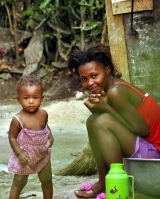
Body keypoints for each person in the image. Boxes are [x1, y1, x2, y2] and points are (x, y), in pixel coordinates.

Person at [67, 44, 160, 198]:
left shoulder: (116, 91)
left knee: (102, 121)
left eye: (94, 75)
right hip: (144, 147)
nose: (89, 83)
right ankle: (104, 181)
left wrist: (105, 109)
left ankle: (118, 183)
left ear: (107, 70)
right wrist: (102, 109)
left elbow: (143, 130)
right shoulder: (109, 90)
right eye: (84, 79)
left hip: (155, 153)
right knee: (92, 121)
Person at [7, 74, 54, 199]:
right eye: (26, 98)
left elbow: (46, 126)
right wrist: (19, 154)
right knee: (19, 182)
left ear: (42, 98)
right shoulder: (18, 119)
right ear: (19, 99)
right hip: (24, 157)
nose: (31, 101)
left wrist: (50, 136)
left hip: (42, 154)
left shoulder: (43, 114)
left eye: (35, 97)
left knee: (47, 180)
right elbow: (12, 137)